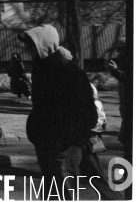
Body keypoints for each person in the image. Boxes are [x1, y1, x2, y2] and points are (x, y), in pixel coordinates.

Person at [19, 24, 98, 200]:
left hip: (63, 148)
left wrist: (65, 140)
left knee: (65, 196)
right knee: (52, 196)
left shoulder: (69, 71)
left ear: (44, 44)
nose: (27, 48)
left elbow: (88, 114)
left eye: (31, 44)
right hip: (46, 144)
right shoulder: (41, 68)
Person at [78, 83, 123, 200]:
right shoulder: (94, 98)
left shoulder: (86, 95)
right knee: (92, 166)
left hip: (87, 134)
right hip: (93, 133)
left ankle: (113, 199)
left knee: (93, 169)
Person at [104, 37, 127, 144]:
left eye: (120, 48)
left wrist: (114, 71)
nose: (117, 52)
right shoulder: (125, 62)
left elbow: (129, 80)